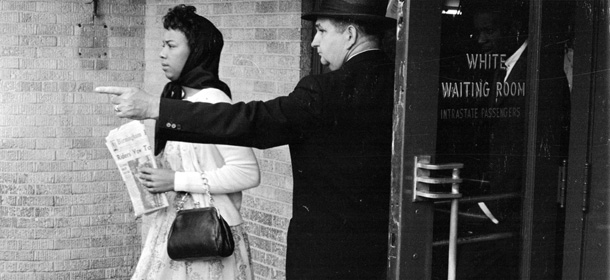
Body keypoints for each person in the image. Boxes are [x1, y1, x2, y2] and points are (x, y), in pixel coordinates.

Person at [97, 1, 396, 279]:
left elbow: (254, 122)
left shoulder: (323, 90)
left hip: (326, 254)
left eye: (320, 30)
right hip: (386, 247)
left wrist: (155, 109)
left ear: (351, 34)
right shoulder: (403, 82)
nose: (313, 41)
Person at [128, 5, 261, 280]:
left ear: (196, 51)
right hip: (175, 230)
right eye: (162, 45)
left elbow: (247, 172)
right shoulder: (180, 103)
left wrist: (175, 180)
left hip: (208, 236)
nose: (162, 53)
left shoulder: (214, 102)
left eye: (171, 45)